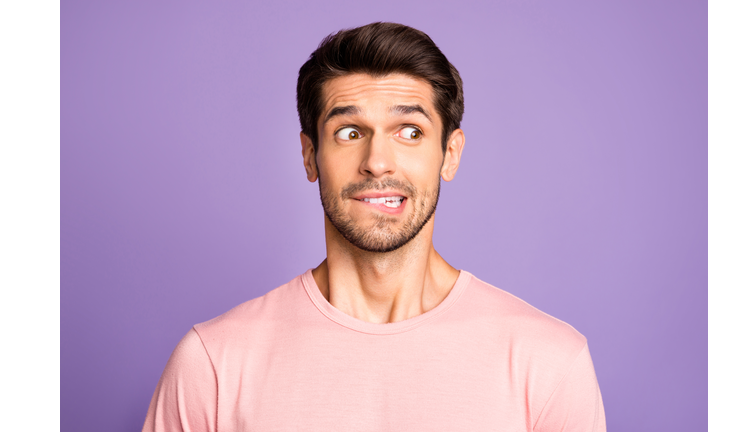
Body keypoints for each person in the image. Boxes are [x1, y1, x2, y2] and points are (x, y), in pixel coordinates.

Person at [142, 22, 606, 431]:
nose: (377, 162)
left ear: (450, 153)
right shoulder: (214, 362)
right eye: (349, 132)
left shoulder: (549, 363)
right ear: (310, 156)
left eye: (409, 131)